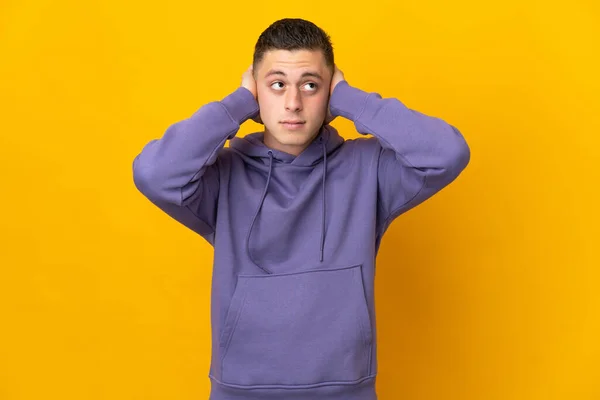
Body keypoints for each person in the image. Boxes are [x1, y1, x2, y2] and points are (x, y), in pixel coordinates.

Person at [133, 17, 470, 400]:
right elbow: (154, 173)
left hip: (346, 390)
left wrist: (349, 98)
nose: (293, 103)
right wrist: (237, 104)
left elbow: (448, 153)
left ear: (329, 93)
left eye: (310, 85)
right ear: (257, 93)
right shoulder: (222, 177)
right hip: (242, 390)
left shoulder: (369, 170)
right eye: (277, 85)